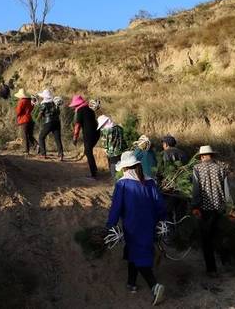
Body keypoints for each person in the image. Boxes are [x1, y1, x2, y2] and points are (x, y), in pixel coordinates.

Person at [106, 151, 167, 306]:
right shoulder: (150, 182)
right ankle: (131, 282)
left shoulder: (122, 184)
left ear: (125, 168)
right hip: (149, 225)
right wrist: (162, 220)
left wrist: (110, 225)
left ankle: (155, 286)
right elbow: (160, 205)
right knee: (135, 251)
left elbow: (116, 207)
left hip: (132, 226)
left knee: (139, 256)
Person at [191, 145, 233, 276]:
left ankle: (212, 270)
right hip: (220, 208)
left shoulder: (197, 168)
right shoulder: (221, 168)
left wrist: (195, 207)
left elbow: (196, 190)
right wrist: (231, 208)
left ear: (203, 156)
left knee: (206, 240)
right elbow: (227, 191)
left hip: (204, 210)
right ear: (212, 155)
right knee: (220, 236)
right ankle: (227, 264)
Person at [70, 95, 100, 178]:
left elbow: (77, 126)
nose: (74, 107)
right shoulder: (89, 108)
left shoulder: (80, 110)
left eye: (75, 105)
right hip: (97, 132)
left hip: (89, 134)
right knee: (88, 151)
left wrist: (75, 138)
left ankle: (93, 174)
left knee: (88, 151)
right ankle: (95, 170)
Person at [37, 89, 64, 160]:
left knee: (41, 137)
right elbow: (58, 113)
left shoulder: (44, 104)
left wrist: (37, 119)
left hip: (48, 122)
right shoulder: (54, 103)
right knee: (58, 139)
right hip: (57, 122)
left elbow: (40, 113)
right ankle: (60, 154)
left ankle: (43, 154)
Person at [97, 115, 125, 179]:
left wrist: (105, 150)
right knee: (120, 165)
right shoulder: (118, 128)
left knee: (113, 165)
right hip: (120, 150)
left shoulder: (105, 131)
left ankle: (114, 179)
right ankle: (120, 177)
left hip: (111, 152)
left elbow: (104, 144)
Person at [15, 88, 38, 154]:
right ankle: (36, 145)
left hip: (23, 120)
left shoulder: (21, 101)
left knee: (24, 136)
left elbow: (18, 112)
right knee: (30, 135)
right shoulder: (29, 101)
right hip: (30, 119)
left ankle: (26, 150)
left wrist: (17, 117)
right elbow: (32, 107)